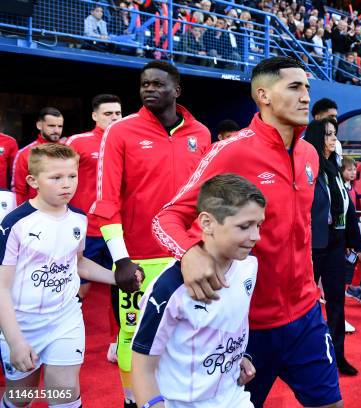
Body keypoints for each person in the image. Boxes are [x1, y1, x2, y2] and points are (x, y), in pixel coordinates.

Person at [153, 57, 344, 408]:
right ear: (263, 95)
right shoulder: (232, 151)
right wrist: (189, 254)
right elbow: (166, 218)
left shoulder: (309, 155)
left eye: (307, 88)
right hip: (244, 325)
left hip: (305, 317)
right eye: (294, 87)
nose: (305, 97)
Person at [89, 61, 211, 408]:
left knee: (187, 335)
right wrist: (121, 259)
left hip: (187, 255)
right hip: (138, 259)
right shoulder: (121, 132)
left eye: (158, 84)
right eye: (145, 84)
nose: (150, 89)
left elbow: (204, 198)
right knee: (133, 338)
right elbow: (106, 201)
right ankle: (133, 401)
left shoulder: (200, 134)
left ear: (177, 90)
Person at [0, 144, 129, 408]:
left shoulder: (78, 219)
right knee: (21, 397)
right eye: (56, 178)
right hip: (22, 324)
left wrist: (117, 278)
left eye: (72, 176)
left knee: (65, 394)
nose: (66, 185)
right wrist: (15, 341)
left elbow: (79, 264)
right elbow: (2, 288)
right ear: (33, 181)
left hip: (65, 319)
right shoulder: (14, 224)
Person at [132, 174, 264, 408]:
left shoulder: (249, 265)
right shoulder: (169, 287)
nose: (256, 236)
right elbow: (142, 367)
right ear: (207, 223)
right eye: (244, 226)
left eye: (258, 225)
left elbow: (229, 325)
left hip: (234, 397)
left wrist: (237, 358)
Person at [304, 118, 361, 376]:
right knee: (306, 302)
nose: (333, 139)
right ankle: (305, 355)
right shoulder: (307, 167)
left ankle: (338, 356)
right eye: (328, 135)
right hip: (314, 243)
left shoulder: (335, 168)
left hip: (336, 242)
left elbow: (347, 206)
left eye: (334, 135)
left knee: (337, 303)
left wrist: (353, 240)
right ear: (317, 137)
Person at [66, 94, 122, 300]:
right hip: (86, 228)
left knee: (121, 283)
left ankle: (117, 331)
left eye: (118, 113)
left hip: (117, 229)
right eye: (108, 113)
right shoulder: (78, 142)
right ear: (94, 116)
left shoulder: (130, 143)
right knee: (82, 288)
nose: (114, 117)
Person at [12, 107, 64, 205]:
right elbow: (19, 190)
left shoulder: (69, 151)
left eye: (60, 126)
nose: (56, 130)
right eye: (51, 126)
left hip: (66, 211)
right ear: (39, 125)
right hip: (35, 211)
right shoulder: (25, 153)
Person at [341, 157, 361, 304]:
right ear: (341, 171)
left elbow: (357, 214)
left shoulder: (353, 189)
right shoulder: (339, 189)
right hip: (343, 234)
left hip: (355, 232)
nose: (353, 173)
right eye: (349, 170)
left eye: (354, 169)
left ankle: (354, 287)